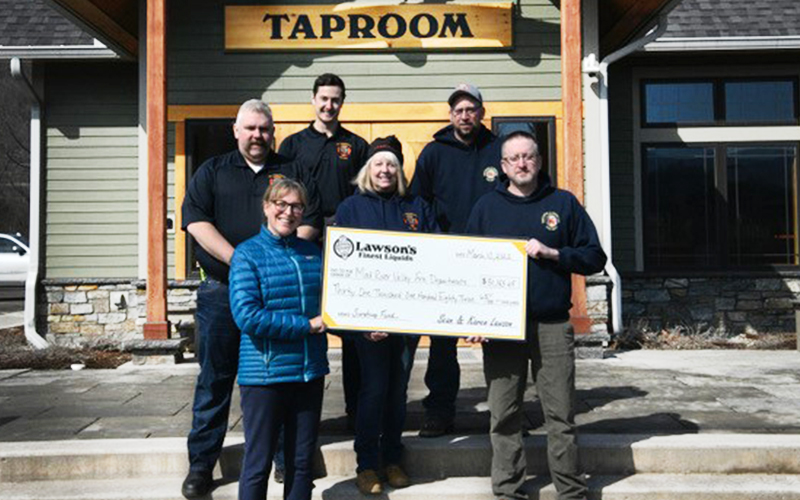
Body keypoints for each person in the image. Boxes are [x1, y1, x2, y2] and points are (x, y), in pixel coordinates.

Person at [180, 99, 322, 498]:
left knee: (283, 381)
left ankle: (283, 459)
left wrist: (276, 259)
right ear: (236, 130)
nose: (257, 135)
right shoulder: (213, 170)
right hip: (222, 293)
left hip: (281, 295)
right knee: (215, 379)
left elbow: (311, 221)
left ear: (272, 131)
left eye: (264, 128)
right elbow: (195, 221)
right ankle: (202, 464)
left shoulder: (292, 170)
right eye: (250, 128)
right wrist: (243, 261)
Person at [465, 131, 607, 500]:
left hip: (552, 324)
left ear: (539, 161)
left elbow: (594, 257)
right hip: (502, 329)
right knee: (504, 413)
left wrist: (554, 253)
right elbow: (466, 270)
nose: (522, 163)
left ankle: (570, 489)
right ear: (503, 167)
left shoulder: (563, 204)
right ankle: (509, 489)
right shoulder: (485, 208)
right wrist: (475, 319)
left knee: (560, 414)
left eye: (529, 156)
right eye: (514, 158)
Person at [335, 136, 438, 495]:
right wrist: (362, 320)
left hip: (407, 320)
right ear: (367, 169)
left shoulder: (417, 206)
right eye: (379, 163)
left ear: (399, 171)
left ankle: (392, 457)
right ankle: (367, 463)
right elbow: (342, 268)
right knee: (374, 390)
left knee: (397, 391)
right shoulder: (351, 208)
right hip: (368, 323)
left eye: (392, 164)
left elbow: (435, 254)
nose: (385, 169)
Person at [409, 83, 503, 437]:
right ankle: (439, 411)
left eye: (471, 109)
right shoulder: (434, 153)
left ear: (482, 111)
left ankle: (504, 414)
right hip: (444, 260)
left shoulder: (499, 151)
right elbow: (418, 204)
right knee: (443, 343)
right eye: (459, 110)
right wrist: (430, 245)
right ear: (450, 115)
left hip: (490, 261)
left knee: (499, 341)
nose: (465, 115)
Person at [279, 73, 369, 432]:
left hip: (346, 245)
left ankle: (356, 409)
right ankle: (299, 415)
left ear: (342, 103)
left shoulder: (356, 145)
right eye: (324, 98)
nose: (329, 105)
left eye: (335, 100)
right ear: (313, 100)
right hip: (305, 241)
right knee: (305, 320)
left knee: (350, 327)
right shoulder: (293, 145)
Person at [229, 178, 328, 500]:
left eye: (297, 205)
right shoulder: (247, 255)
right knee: (258, 464)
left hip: (308, 371)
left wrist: (363, 325)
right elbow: (247, 316)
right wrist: (306, 327)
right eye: (281, 204)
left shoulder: (311, 253)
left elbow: (330, 309)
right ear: (267, 207)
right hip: (264, 376)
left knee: (301, 464)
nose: (289, 211)